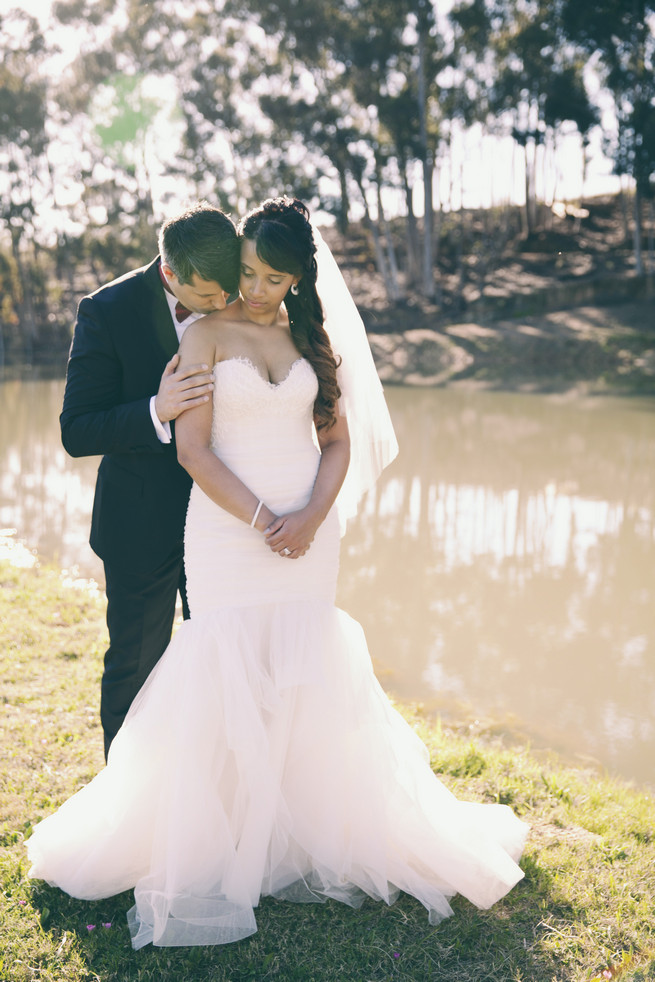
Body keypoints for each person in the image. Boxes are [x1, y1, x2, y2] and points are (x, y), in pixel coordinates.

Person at [28, 197, 528, 949]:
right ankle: (163, 822)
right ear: (177, 275)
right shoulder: (153, 322)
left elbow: (336, 438)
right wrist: (173, 424)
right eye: (235, 280)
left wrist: (312, 516)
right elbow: (113, 434)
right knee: (157, 661)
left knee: (290, 672)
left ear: (293, 277)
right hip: (190, 520)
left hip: (299, 530)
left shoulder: (303, 334)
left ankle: (284, 831)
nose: (244, 292)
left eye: (265, 277)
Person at [59, 202, 240, 758]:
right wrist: (155, 410)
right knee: (136, 665)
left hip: (228, 518)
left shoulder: (244, 301)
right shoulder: (106, 311)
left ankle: (223, 794)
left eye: (227, 293)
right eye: (209, 296)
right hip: (141, 525)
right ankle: (125, 798)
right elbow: (77, 430)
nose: (223, 306)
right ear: (170, 274)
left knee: (230, 662)